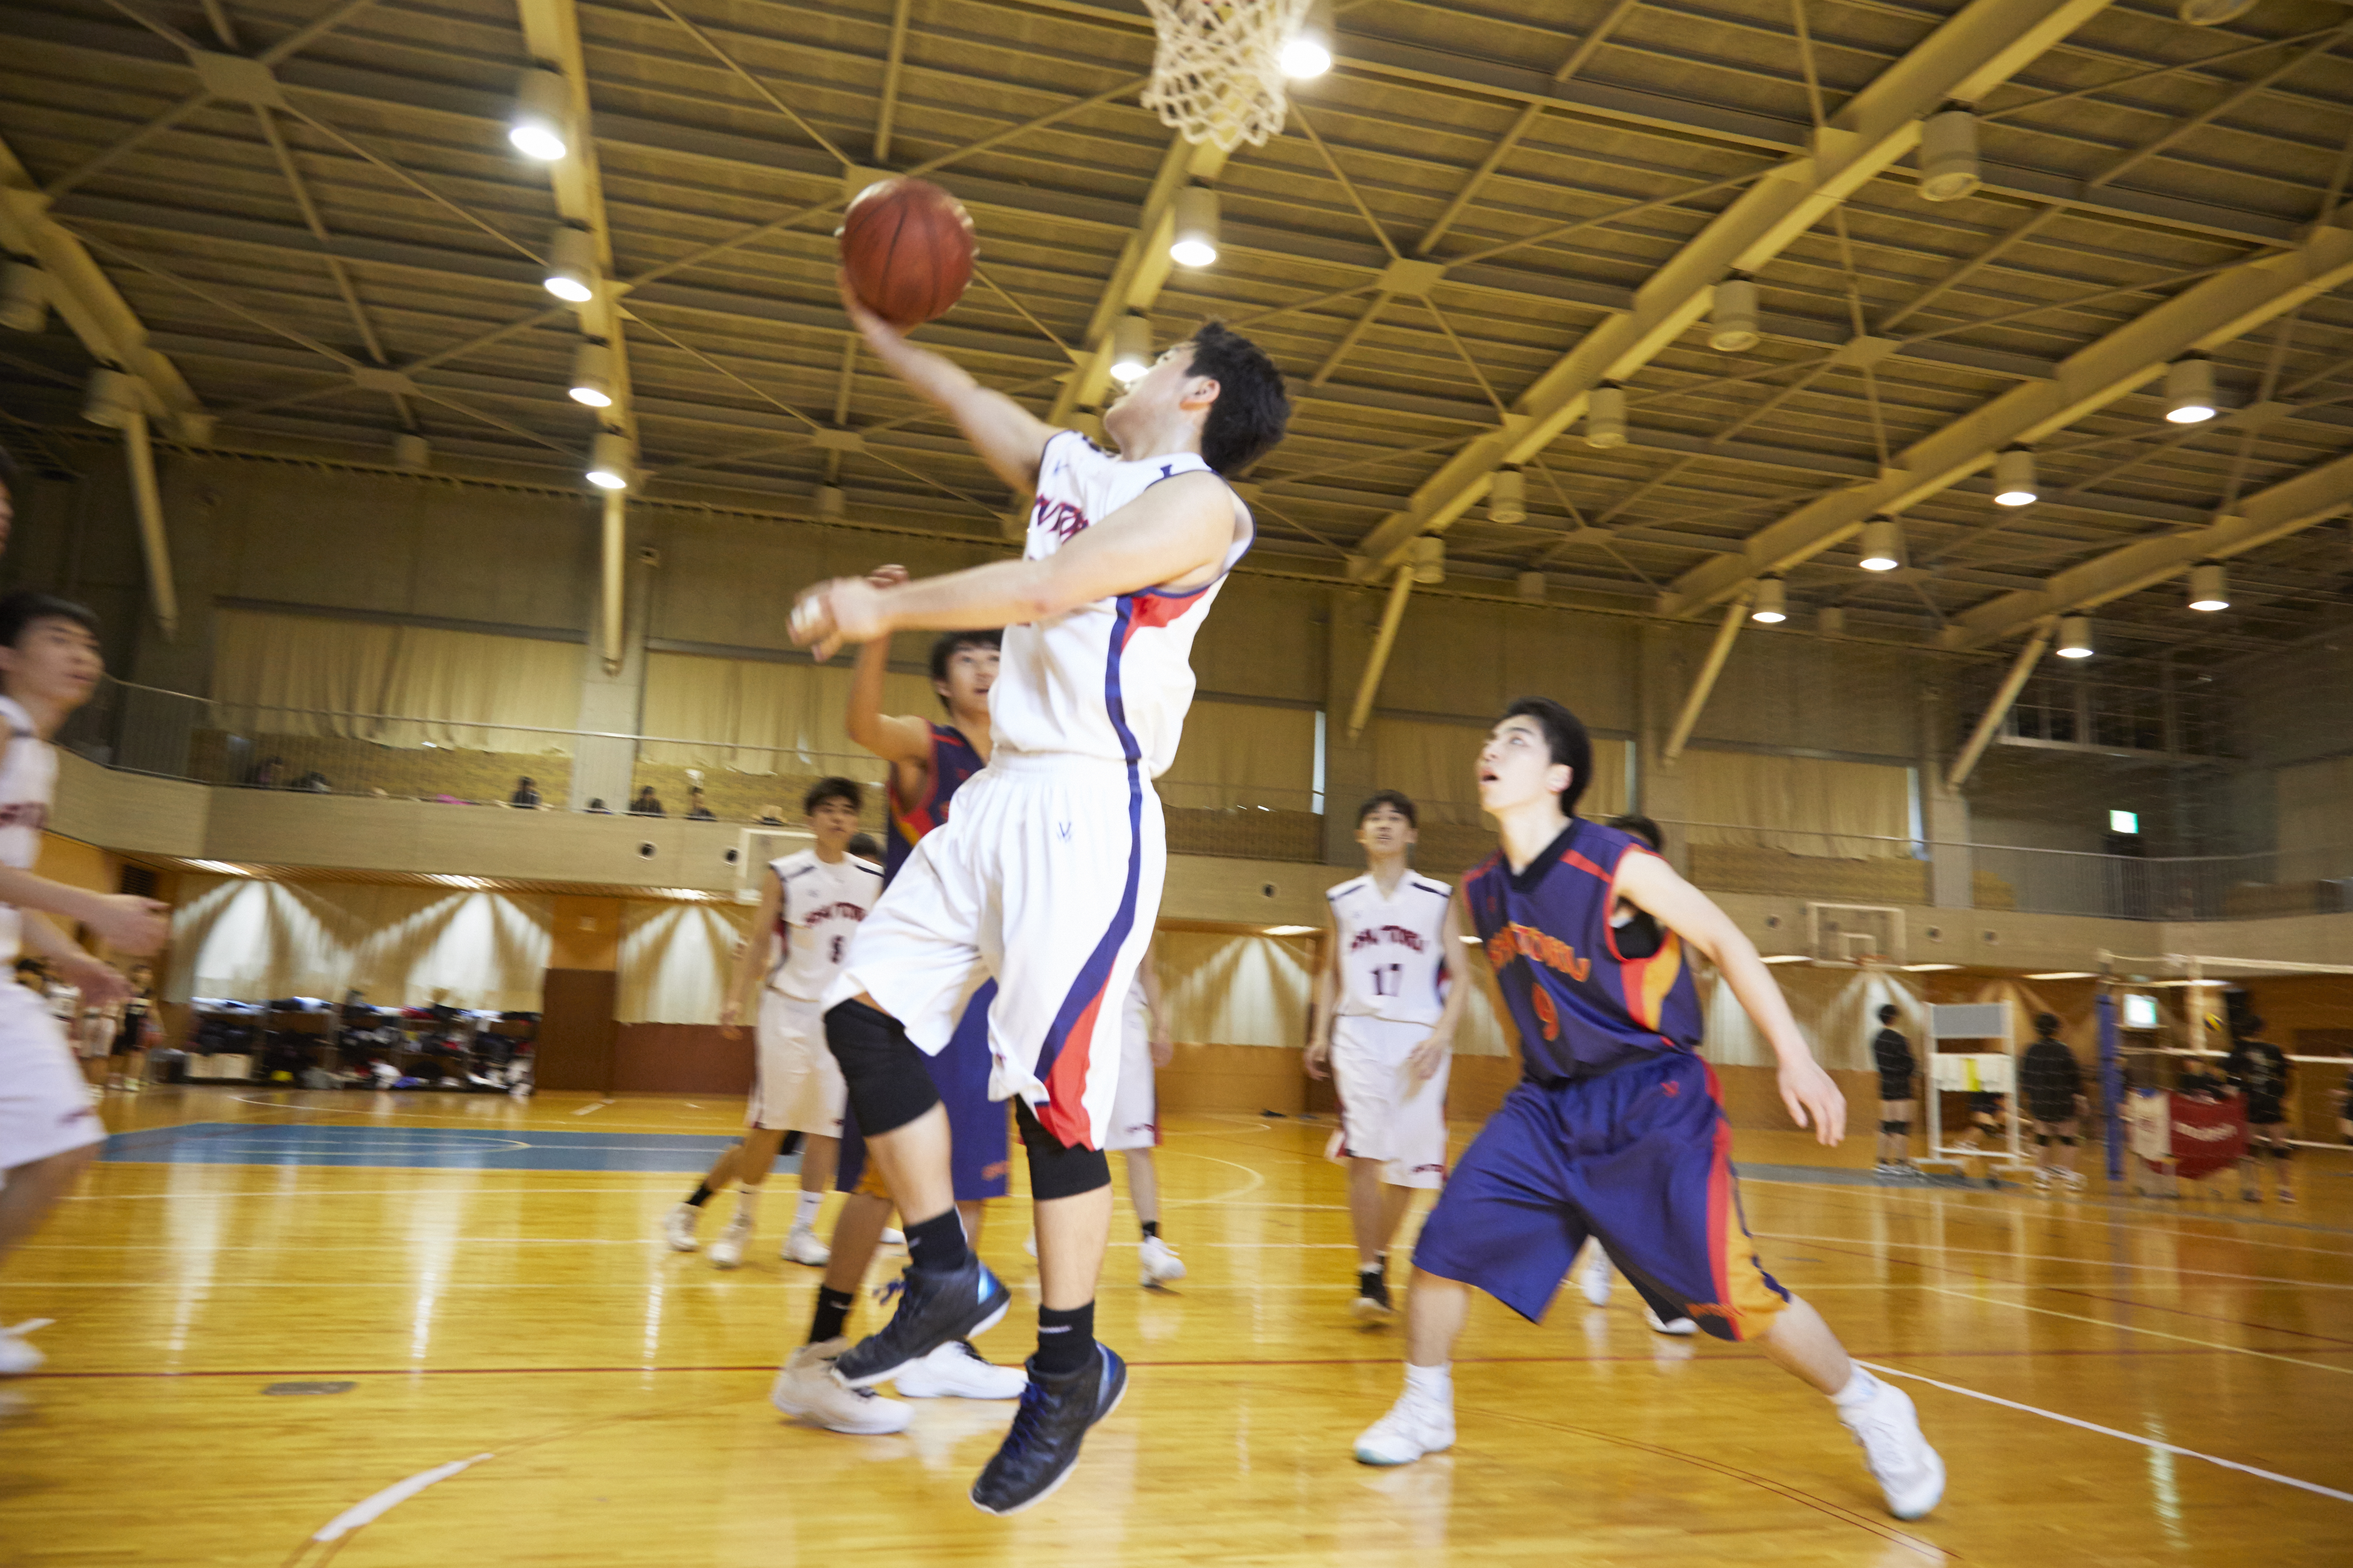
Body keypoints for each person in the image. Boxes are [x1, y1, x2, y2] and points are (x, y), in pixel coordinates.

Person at [786, 289, 1289, 1514]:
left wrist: (887, 608)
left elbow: (1053, 586)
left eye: (1164, 354)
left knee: (1056, 1104)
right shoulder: (1079, 462)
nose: (1141, 362)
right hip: (999, 798)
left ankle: (1067, 1365)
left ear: (1199, 391)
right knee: (858, 1011)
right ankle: (948, 1269)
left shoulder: (1203, 506)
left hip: (1087, 809)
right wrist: (892, 340)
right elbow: (980, 409)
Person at [1349, 698, 1944, 1524]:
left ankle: (1873, 1406)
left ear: (1558, 776)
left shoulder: (1614, 862)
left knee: (1734, 1300)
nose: (1491, 749)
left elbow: (1728, 941)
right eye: (1488, 740)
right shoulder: (1480, 890)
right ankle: (1425, 1407)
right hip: (1547, 1107)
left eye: (1514, 741)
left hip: (1651, 1103)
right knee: (1444, 1245)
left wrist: (1795, 1053)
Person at [769, 622, 1022, 1434]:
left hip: (983, 992)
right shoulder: (932, 748)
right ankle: (817, 1355)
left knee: (976, 1177)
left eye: (996, 657)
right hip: (911, 989)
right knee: (883, 1186)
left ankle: (937, 1351)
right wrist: (874, 637)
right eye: (968, 659)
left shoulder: (1025, 761)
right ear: (944, 682)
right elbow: (862, 726)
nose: (986, 668)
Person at [0, 589, 172, 1373]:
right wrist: (94, 907)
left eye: (91, 646)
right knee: (64, 1144)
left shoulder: (37, 752)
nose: (83, 655)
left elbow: (9, 886)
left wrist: (74, 955)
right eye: (59, 639)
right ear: (8, 655)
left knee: (62, 1148)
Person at [662, 778, 877, 1267]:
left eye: (848, 811)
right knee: (769, 1129)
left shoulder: (872, 878)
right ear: (810, 819)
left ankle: (802, 1232)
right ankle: (739, 1223)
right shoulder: (785, 873)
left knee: (825, 1130)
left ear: (857, 821)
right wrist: (734, 997)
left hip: (842, 1019)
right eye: (828, 810)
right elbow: (758, 941)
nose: (838, 818)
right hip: (789, 1013)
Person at [1304, 790, 1467, 1323]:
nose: (1383, 825)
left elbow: (1463, 976)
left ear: (1411, 834)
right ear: (1359, 834)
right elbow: (1329, 971)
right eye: (1373, 819)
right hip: (1359, 1033)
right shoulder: (1343, 897)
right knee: (1366, 1152)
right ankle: (1370, 1273)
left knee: (1411, 1168)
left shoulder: (1438, 896)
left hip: (1419, 1036)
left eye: (1395, 819)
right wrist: (1321, 1032)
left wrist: (1442, 1034)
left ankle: (1379, 1257)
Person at [1569, 812, 1698, 1338]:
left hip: (1654, 1076)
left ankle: (1663, 1296)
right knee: (1619, 1187)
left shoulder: (1669, 928)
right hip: (1592, 1078)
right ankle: (1613, 1258)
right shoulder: (1576, 921)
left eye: (1641, 852)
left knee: (1659, 1187)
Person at [1108, 938, 1186, 1287]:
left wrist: (1163, 1025)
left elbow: (1149, 972)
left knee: (1138, 1143)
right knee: (1072, 1140)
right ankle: (1051, 1226)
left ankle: (1152, 1245)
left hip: (1126, 1027)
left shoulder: (1141, 896)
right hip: (1076, 1027)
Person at [2222, 1017, 2294, 1204]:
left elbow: (2229, 1082)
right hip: (2272, 1104)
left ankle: (2253, 1190)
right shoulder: (2274, 1050)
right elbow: (2288, 1074)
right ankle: (2285, 1190)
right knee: (2280, 1148)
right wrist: (2285, 1097)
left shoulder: (2236, 1053)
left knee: (2250, 1150)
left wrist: (2228, 1092)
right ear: (2260, 1030)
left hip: (2249, 1106)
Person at [2018, 1012, 2086, 1192]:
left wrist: (2033, 1095)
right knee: (2068, 1139)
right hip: (2062, 1102)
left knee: (2042, 1138)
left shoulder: (2030, 1051)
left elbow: (2024, 1079)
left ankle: (2042, 1176)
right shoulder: (2064, 1050)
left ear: (2037, 1029)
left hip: (2040, 1101)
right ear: (2056, 1029)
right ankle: (2069, 1176)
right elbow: (2075, 1078)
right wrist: (2080, 1098)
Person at [1871, 1003, 1918, 1177]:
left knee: (1887, 1125)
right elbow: (1911, 1065)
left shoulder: (1876, 1040)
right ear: (1893, 1018)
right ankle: (1902, 1163)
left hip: (1885, 1085)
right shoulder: (1899, 1039)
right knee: (1901, 1125)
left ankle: (1882, 1161)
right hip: (1901, 1085)